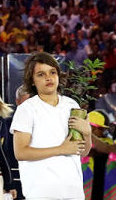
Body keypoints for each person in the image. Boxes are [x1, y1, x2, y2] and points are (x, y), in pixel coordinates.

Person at [10, 52, 90, 200]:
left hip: (73, 191)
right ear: (32, 81)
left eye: (52, 72)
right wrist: (61, 149)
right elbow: (20, 152)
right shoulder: (26, 109)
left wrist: (88, 134)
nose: (48, 77)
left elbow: (82, 152)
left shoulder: (71, 105)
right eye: (41, 74)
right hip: (41, 193)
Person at [82, 111, 111, 200]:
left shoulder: (107, 142)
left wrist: (89, 135)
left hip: (99, 184)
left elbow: (93, 152)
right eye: (100, 129)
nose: (103, 131)